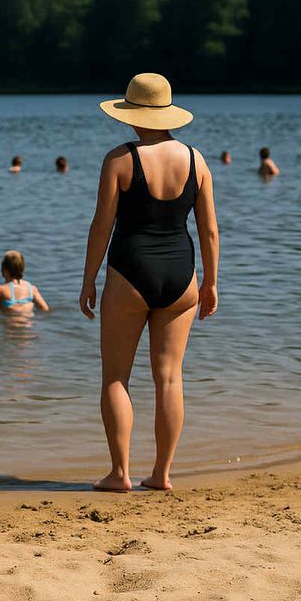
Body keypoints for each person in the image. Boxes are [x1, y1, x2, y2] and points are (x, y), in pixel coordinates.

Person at [83, 73, 219, 493]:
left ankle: (119, 474)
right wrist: (211, 283)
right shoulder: (197, 161)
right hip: (182, 275)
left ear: (131, 114)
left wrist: (88, 280)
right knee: (170, 377)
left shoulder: (119, 160)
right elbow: (210, 230)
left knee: (115, 378)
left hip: (130, 272)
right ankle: (162, 474)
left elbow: (102, 225)